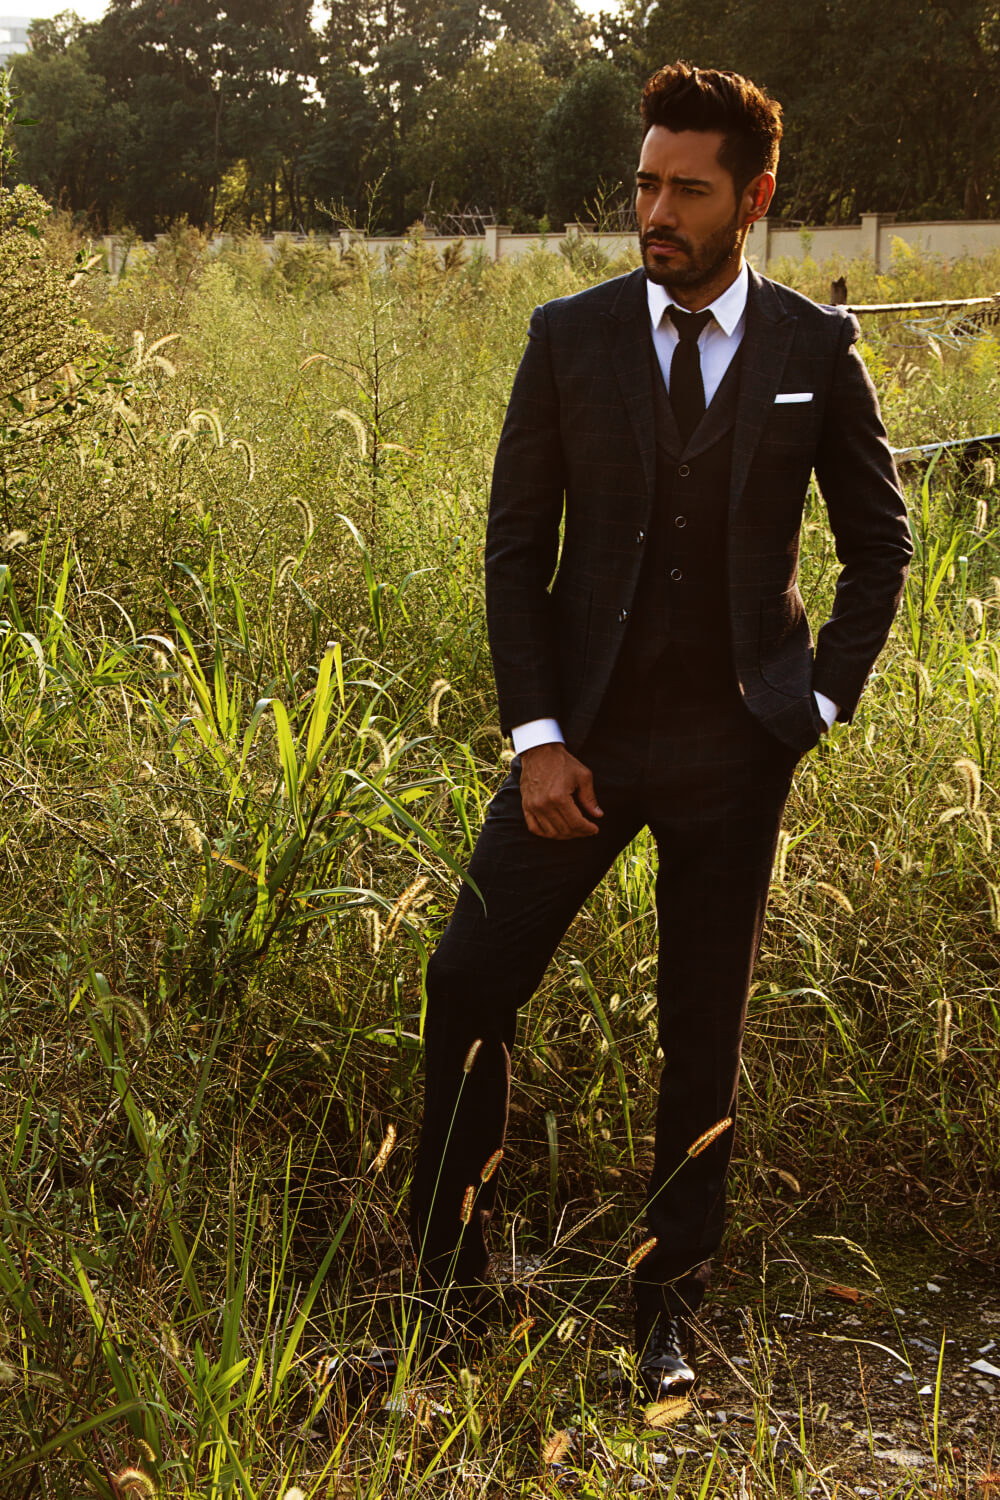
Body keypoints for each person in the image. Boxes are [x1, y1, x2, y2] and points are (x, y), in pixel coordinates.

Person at [409, 61, 912, 1398]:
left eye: (687, 189)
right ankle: (446, 1291)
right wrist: (536, 739)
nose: (656, 211)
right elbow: (515, 550)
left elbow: (881, 545)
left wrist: (813, 703)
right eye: (644, 184)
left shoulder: (814, 350)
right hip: (577, 744)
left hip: (733, 752)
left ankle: (665, 1309)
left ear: (753, 197)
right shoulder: (568, 338)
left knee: (700, 1035)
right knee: (467, 981)